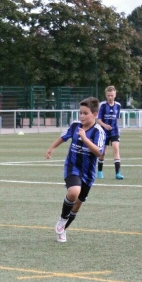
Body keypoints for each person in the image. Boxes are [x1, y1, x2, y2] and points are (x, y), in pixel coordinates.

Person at [45, 97, 106, 243]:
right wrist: (52, 148)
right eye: (80, 113)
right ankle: (62, 219)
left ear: (95, 114)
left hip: (88, 173)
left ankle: (63, 230)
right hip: (72, 166)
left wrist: (85, 138)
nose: (82, 116)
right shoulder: (75, 126)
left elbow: (99, 152)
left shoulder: (98, 131)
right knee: (73, 191)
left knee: (77, 204)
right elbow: (63, 137)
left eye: (85, 113)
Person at [96, 85, 123, 179]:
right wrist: (105, 126)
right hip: (104, 131)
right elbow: (98, 120)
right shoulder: (102, 105)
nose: (110, 97)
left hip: (114, 131)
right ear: (106, 95)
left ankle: (118, 173)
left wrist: (118, 128)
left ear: (115, 95)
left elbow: (116, 118)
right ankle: (100, 171)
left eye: (112, 95)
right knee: (103, 152)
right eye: (108, 95)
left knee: (116, 148)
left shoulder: (118, 105)